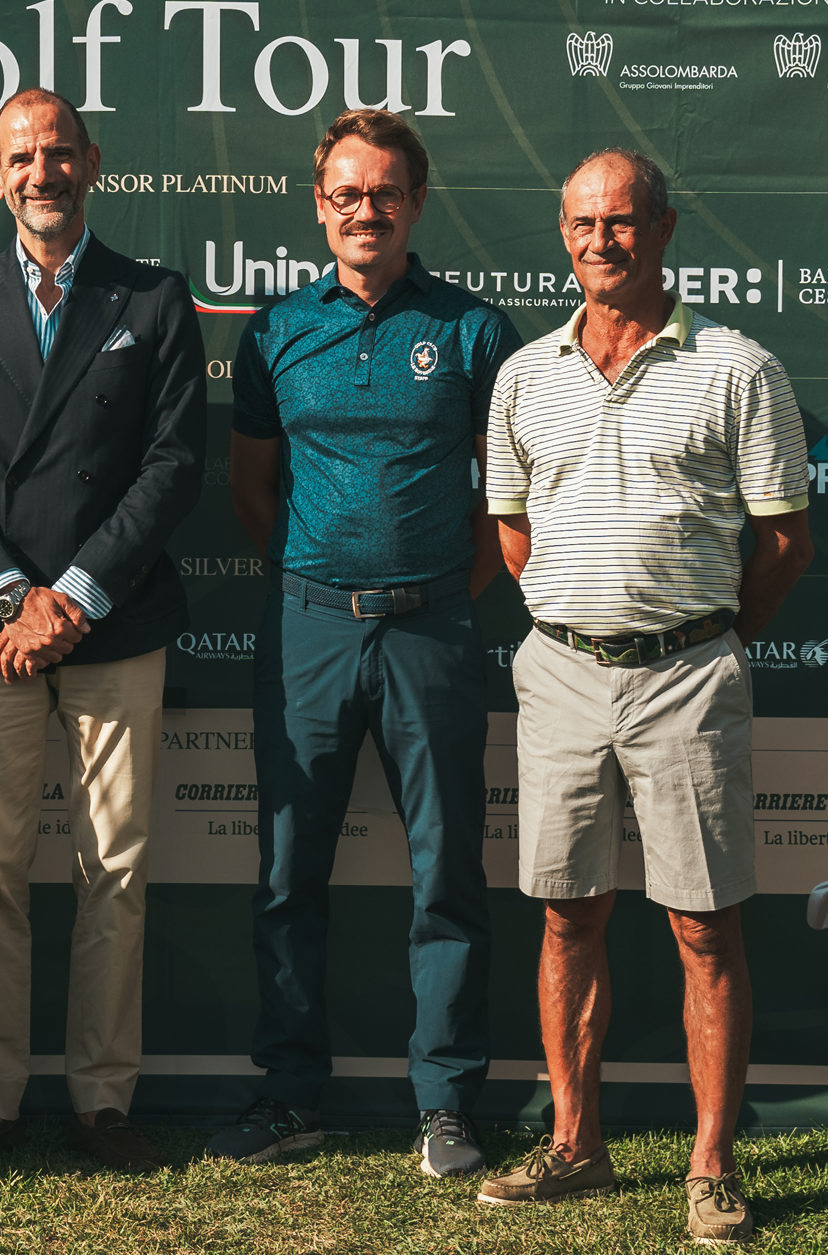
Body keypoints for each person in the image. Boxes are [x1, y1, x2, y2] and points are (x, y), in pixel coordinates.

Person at [477, 149, 811, 1245]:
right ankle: (577, 1146)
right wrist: (585, 616)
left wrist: (708, 640)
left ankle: (712, 1163)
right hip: (561, 674)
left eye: (621, 222)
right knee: (567, 914)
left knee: (703, 926)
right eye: (583, 224)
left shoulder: (738, 368)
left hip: (689, 676)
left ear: (664, 230)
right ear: (562, 235)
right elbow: (513, 534)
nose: (600, 241)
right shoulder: (524, 376)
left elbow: (784, 541)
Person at [209, 109, 517, 1174]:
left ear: (417, 203)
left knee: (449, 875)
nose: (365, 210)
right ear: (320, 205)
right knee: (288, 872)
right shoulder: (277, 332)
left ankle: (446, 1103)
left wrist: (438, 595)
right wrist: (321, 582)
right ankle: (290, 1094)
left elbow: (506, 500)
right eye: (346, 192)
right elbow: (252, 489)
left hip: (433, 626)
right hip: (308, 630)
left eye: (385, 192)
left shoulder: (474, 331)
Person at [0, 87, 206, 1173]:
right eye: (23, 156)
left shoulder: (153, 298)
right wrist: (9, 599)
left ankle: (102, 1102)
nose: (45, 172)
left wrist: (72, 597)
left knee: (113, 866)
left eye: (61, 152)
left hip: (112, 622)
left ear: (93, 162)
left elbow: (174, 466)